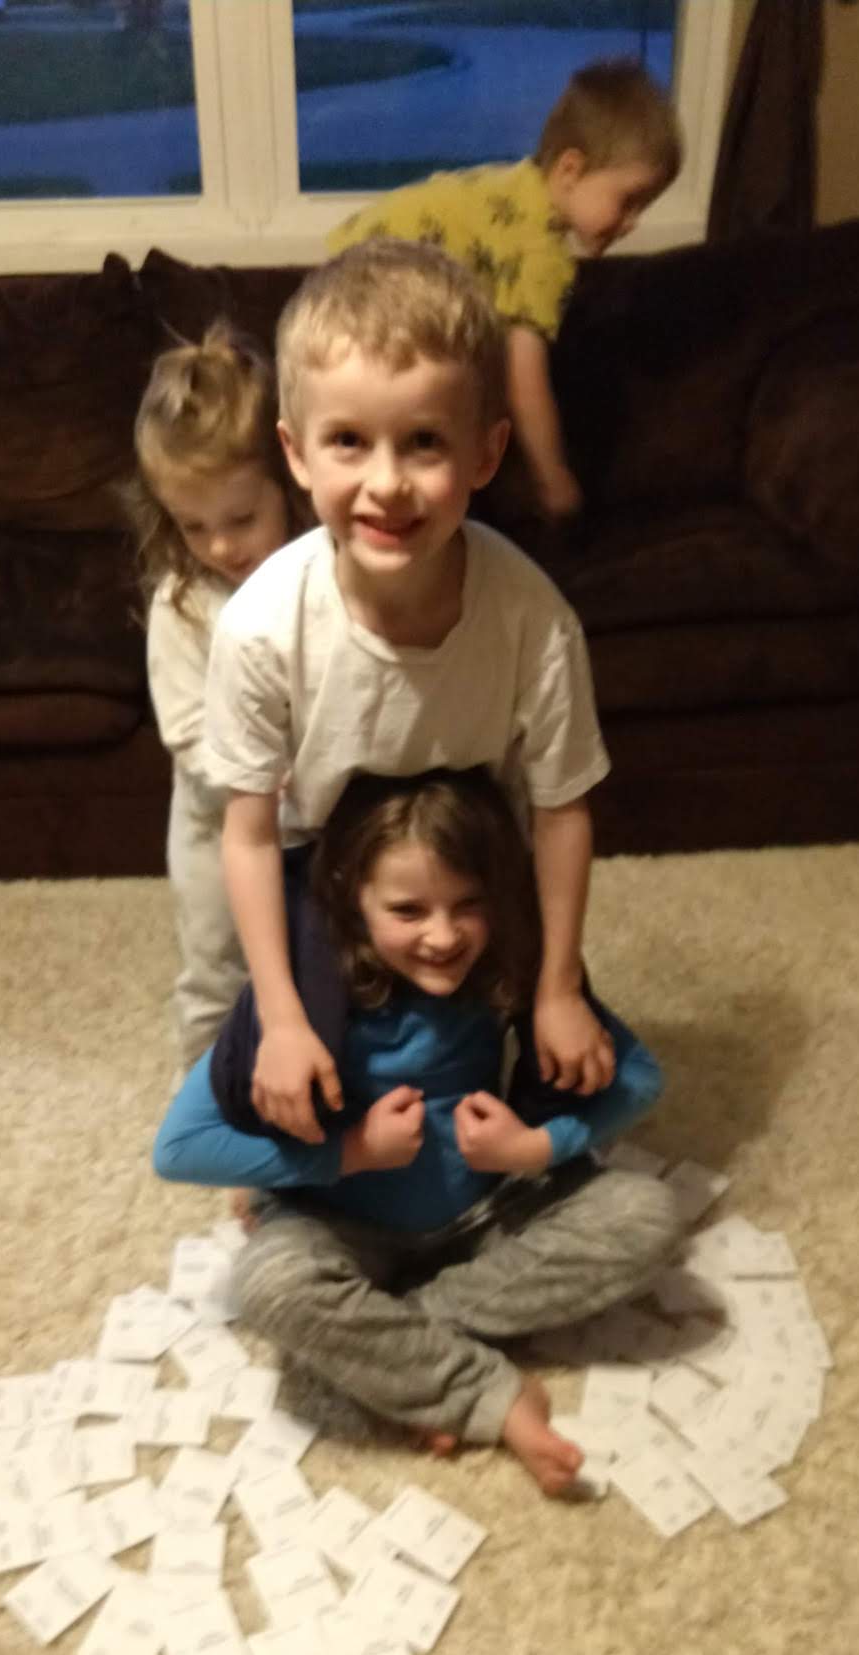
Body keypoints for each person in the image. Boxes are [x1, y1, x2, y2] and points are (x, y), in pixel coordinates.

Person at [154, 769, 679, 1497]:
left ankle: (398, 1339)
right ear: (352, 900)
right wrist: (349, 1151)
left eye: (469, 905)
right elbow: (178, 1148)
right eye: (408, 909)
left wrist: (531, 1147)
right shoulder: (307, 997)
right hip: (342, 1224)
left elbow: (639, 1080)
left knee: (645, 1213)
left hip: (483, 1214)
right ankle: (484, 1394)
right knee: (270, 1282)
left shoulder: (506, 966)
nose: (442, 933)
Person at [203, 238, 615, 1156]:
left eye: (424, 442)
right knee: (261, 1079)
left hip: (472, 856)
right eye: (349, 441)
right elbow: (250, 831)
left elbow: (560, 813)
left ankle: (504, 1158)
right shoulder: (263, 626)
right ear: (297, 455)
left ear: (485, 452)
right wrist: (278, 1014)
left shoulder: (533, 619)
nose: (387, 483)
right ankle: (339, 1171)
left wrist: (558, 987)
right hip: (327, 866)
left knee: (580, 1069)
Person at [328, 58, 681, 522]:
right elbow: (525, 378)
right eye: (628, 200)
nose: (633, 223)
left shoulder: (514, 188)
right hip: (368, 302)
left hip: (342, 280)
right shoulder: (539, 250)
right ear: (571, 169)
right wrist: (553, 477)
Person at [126, 323, 306, 1069]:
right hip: (217, 830)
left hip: (322, 823)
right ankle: (215, 1108)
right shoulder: (185, 605)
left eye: (242, 519)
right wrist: (266, 776)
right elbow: (190, 733)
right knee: (218, 971)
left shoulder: (321, 575)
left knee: (314, 967)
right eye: (193, 526)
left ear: (291, 482)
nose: (222, 545)